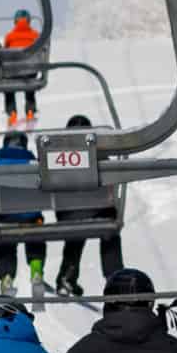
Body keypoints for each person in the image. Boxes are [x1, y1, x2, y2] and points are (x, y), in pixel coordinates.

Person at [51, 114, 124, 297]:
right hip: (100, 212)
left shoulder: (55, 154)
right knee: (109, 231)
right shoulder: (98, 152)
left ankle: (67, 276)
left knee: (75, 230)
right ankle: (114, 276)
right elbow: (110, 180)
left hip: (69, 215)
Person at [0, 130, 48, 296]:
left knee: (4, 239)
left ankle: (6, 276)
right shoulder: (34, 163)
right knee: (36, 227)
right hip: (31, 217)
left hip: (5, 217)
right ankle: (36, 268)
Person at [2, 9, 41, 128]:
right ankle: (30, 111)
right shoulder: (35, 35)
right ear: (29, 21)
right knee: (29, 88)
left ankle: (12, 112)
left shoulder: (10, 36)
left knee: (9, 88)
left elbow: (6, 52)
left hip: (14, 72)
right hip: (31, 71)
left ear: (15, 21)